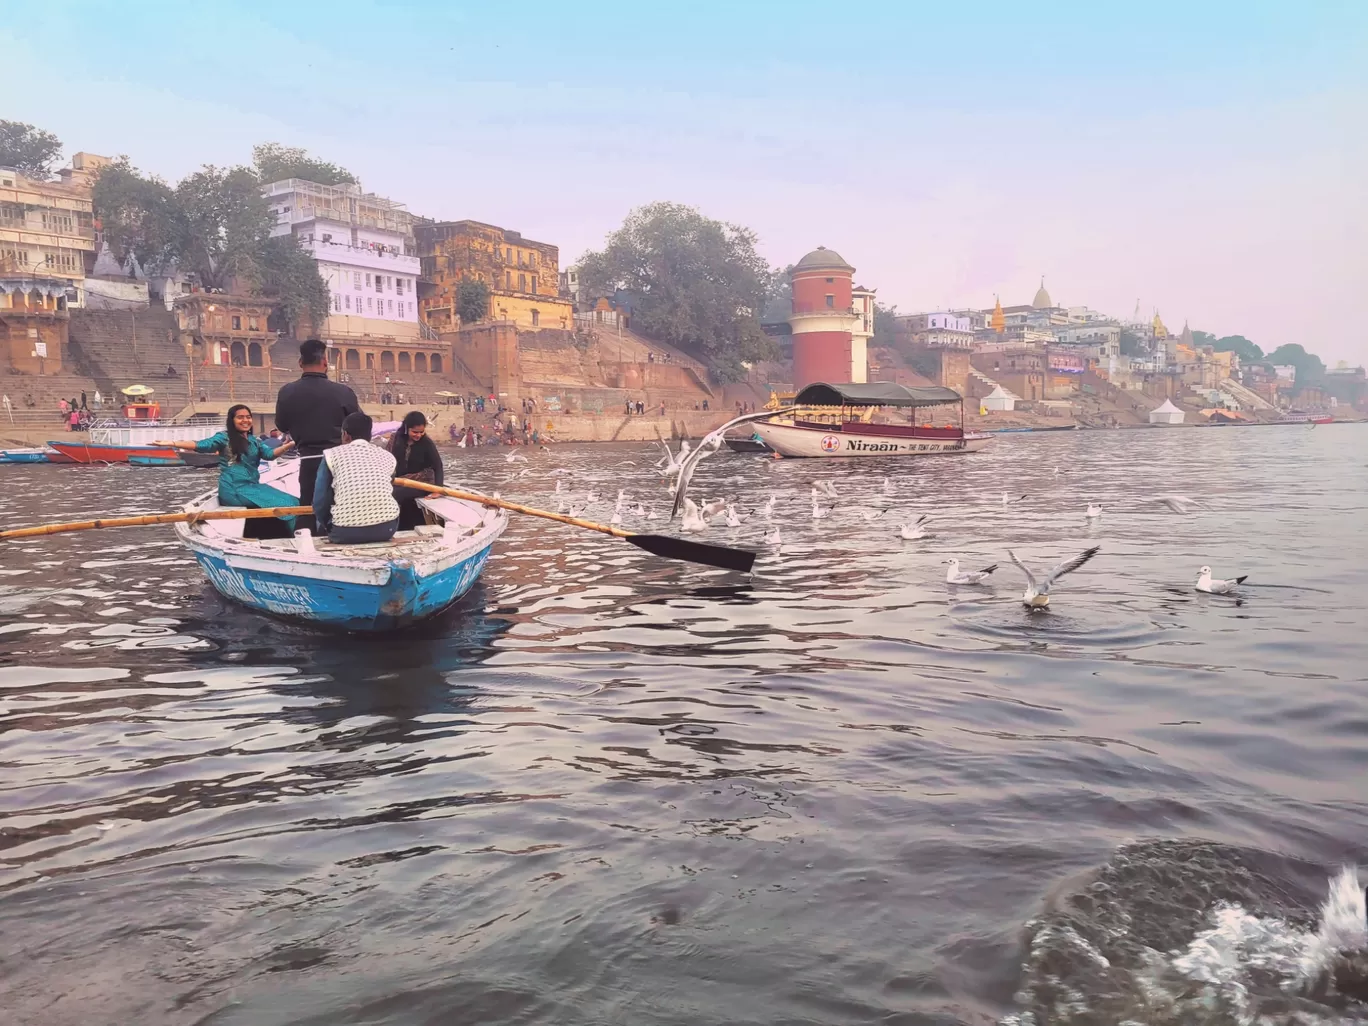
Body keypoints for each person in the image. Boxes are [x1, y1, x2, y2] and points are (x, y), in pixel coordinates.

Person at [158, 405, 297, 526]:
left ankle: (289, 533)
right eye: (240, 417)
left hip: (252, 486)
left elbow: (269, 454)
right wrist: (173, 443)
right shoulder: (223, 438)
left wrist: (289, 445)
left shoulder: (254, 440)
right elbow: (201, 445)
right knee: (287, 506)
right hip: (234, 489)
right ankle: (293, 536)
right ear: (232, 420)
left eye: (248, 417)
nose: (245, 420)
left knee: (294, 501)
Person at [274, 338, 358, 527]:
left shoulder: (287, 392)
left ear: (300, 363)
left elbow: (282, 425)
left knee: (308, 506)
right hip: (339, 461)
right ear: (325, 363)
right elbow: (357, 425)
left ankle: (307, 542)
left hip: (308, 460)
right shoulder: (344, 392)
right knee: (341, 503)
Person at [313, 412, 401, 544]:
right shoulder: (388, 457)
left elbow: (320, 501)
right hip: (386, 529)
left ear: (345, 435)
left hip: (344, 533)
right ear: (369, 435)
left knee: (322, 517)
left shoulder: (331, 455)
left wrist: (327, 524)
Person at [390, 411, 444, 530]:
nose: (418, 435)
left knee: (394, 494)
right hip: (400, 482)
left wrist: (438, 490)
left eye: (421, 432)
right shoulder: (396, 439)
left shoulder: (427, 443)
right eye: (415, 432)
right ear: (406, 428)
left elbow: (438, 466)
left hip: (421, 484)